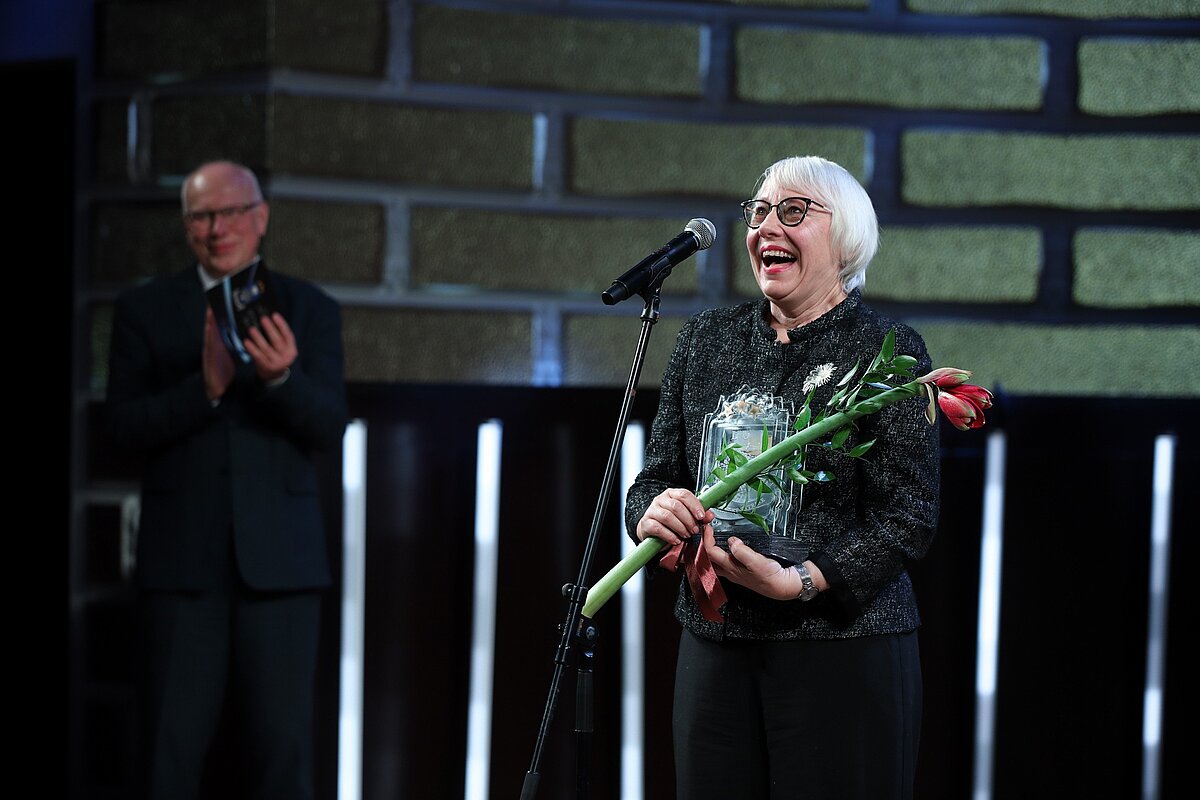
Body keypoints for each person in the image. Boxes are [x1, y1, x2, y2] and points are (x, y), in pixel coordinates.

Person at [626, 155, 940, 800]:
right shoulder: (705, 340)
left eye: (794, 212)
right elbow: (653, 477)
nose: (768, 225)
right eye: (759, 212)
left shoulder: (889, 350)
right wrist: (651, 512)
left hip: (842, 648)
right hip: (716, 644)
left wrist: (802, 582)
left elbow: (908, 515)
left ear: (845, 235)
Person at [106, 160, 348, 800]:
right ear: (187, 226)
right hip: (180, 565)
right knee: (166, 750)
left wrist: (280, 380)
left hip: (283, 569)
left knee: (283, 752)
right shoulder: (144, 310)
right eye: (202, 216)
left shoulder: (310, 309)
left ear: (261, 217)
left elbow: (328, 427)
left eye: (232, 212)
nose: (218, 229)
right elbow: (120, 432)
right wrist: (204, 391)